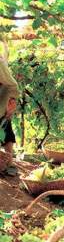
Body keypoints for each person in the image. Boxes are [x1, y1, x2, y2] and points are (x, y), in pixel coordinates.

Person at [0, 36, 19, 175]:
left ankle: (10, 163)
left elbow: (12, 85)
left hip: (3, 102)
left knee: (7, 132)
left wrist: (11, 104)